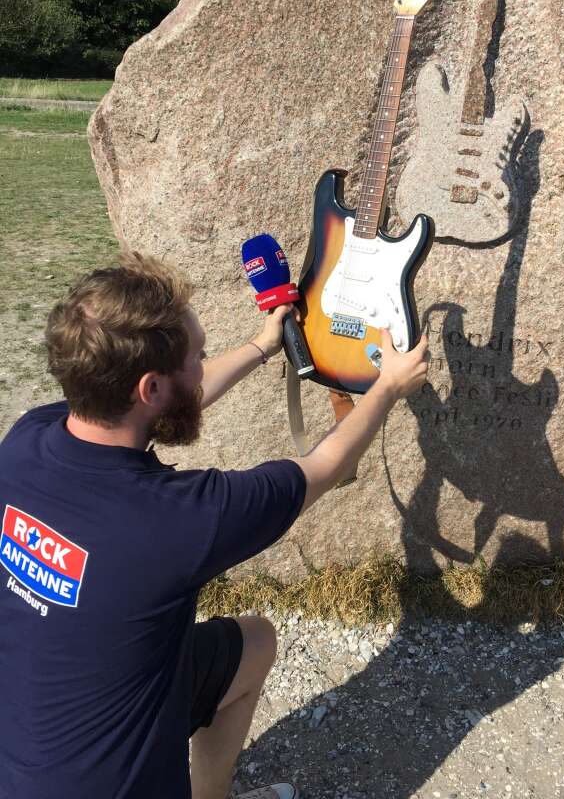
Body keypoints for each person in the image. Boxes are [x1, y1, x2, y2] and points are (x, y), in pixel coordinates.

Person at [0, 251, 429, 799]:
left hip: (26, 754)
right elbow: (326, 466)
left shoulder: (28, 439)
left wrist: (262, 345)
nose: (204, 365)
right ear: (150, 389)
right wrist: (387, 387)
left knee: (252, 646)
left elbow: (166, 403)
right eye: (198, 356)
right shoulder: (180, 520)